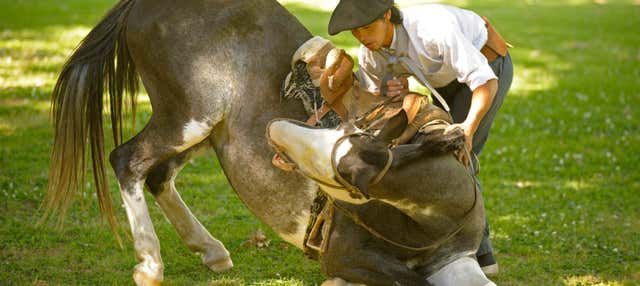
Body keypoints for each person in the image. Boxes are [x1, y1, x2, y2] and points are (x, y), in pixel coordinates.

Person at [328, 0, 514, 276]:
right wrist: (391, 91)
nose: (363, 38)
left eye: (367, 28)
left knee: (458, 153)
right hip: (443, 81)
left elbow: (484, 80)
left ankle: (481, 254)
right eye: (355, 33)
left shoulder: (432, 30)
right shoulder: (370, 52)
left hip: (486, 68)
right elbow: (374, 101)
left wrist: (467, 129)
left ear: (387, 15)